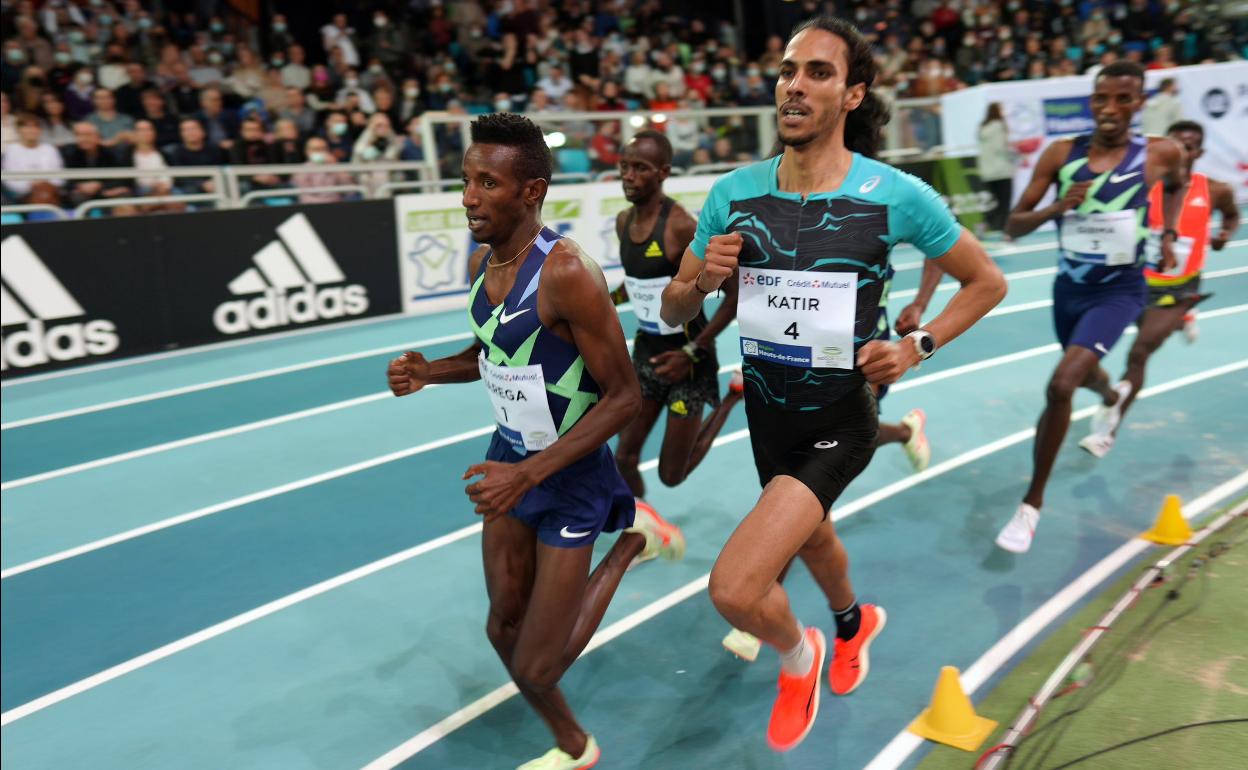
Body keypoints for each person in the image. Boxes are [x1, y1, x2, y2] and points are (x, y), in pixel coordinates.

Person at [660, 16, 1005, 752]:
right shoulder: (732, 193)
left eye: (817, 72)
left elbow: (987, 282)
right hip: (766, 413)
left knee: (735, 588)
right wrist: (701, 281)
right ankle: (855, 622)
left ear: (853, 95)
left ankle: (801, 654)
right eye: (788, 70)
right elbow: (673, 306)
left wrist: (916, 346)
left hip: (839, 418)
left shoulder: (896, 194)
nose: (794, 84)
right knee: (811, 533)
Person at [386, 113, 685, 770]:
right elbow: (492, 351)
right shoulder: (481, 258)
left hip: (570, 475)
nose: (468, 196)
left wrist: (530, 475)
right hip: (508, 456)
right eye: (466, 180)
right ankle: (576, 747)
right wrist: (429, 372)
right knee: (502, 626)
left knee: (539, 664)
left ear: (531, 192)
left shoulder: (568, 273)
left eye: (487, 183)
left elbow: (626, 396)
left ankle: (633, 541)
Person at [994, 61, 1186, 554]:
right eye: (1102, 99)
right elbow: (1012, 226)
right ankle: (1108, 395)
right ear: (1092, 101)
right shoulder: (1062, 154)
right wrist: (1057, 208)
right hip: (1069, 290)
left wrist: (1166, 230)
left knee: (1060, 384)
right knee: (1082, 374)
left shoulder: (1160, 153)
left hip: (1119, 290)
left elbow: (1179, 184)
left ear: (1139, 103)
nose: (1111, 109)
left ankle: (1030, 505)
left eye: (1124, 99)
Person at [1078, 120, 1240, 457]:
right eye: (1176, 144)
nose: (1182, 152)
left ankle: (1107, 431)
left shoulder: (1215, 189)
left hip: (1178, 288)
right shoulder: (1142, 184)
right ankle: (1183, 320)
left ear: (1200, 153)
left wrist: (1224, 235)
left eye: (1190, 146)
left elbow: (1232, 215)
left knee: (1139, 353)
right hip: (1134, 282)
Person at [610, 130, 744, 502]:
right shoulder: (623, 222)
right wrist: (612, 297)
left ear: (664, 172)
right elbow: (640, 279)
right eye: (624, 167)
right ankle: (643, 531)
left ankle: (734, 397)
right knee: (624, 455)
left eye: (640, 168)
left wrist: (695, 350)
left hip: (689, 356)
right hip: (648, 350)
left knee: (672, 475)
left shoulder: (682, 226)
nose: (629, 175)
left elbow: (732, 297)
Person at [977, 102, 1017, 234]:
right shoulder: (999, 126)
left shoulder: (983, 127)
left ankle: (984, 226)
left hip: (988, 172)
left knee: (993, 204)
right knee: (1004, 203)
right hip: (1002, 171)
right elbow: (1001, 148)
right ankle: (1007, 232)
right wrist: (1017, 155)